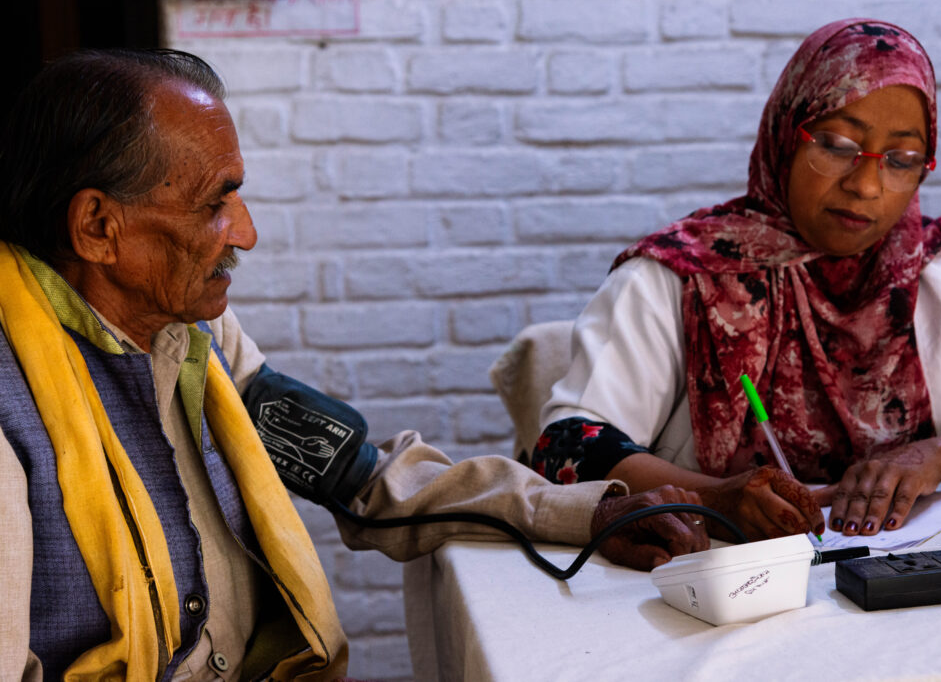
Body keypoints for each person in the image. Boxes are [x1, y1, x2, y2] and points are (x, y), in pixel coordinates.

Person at [0, 49, 711, 681]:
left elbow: (365, 477)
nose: (246, 232)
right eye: (215, 203)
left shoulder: (199, 342)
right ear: (98, 227)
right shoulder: (11, 406)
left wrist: (592, 512)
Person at [532, 18, 941, 542]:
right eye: (836, 144)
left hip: (921, 577)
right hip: (730, 588)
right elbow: (567, 445)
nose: (865, 184)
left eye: (901, 159)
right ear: (786, 134)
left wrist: (935, 457)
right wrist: (713, 498)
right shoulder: (681, 276)